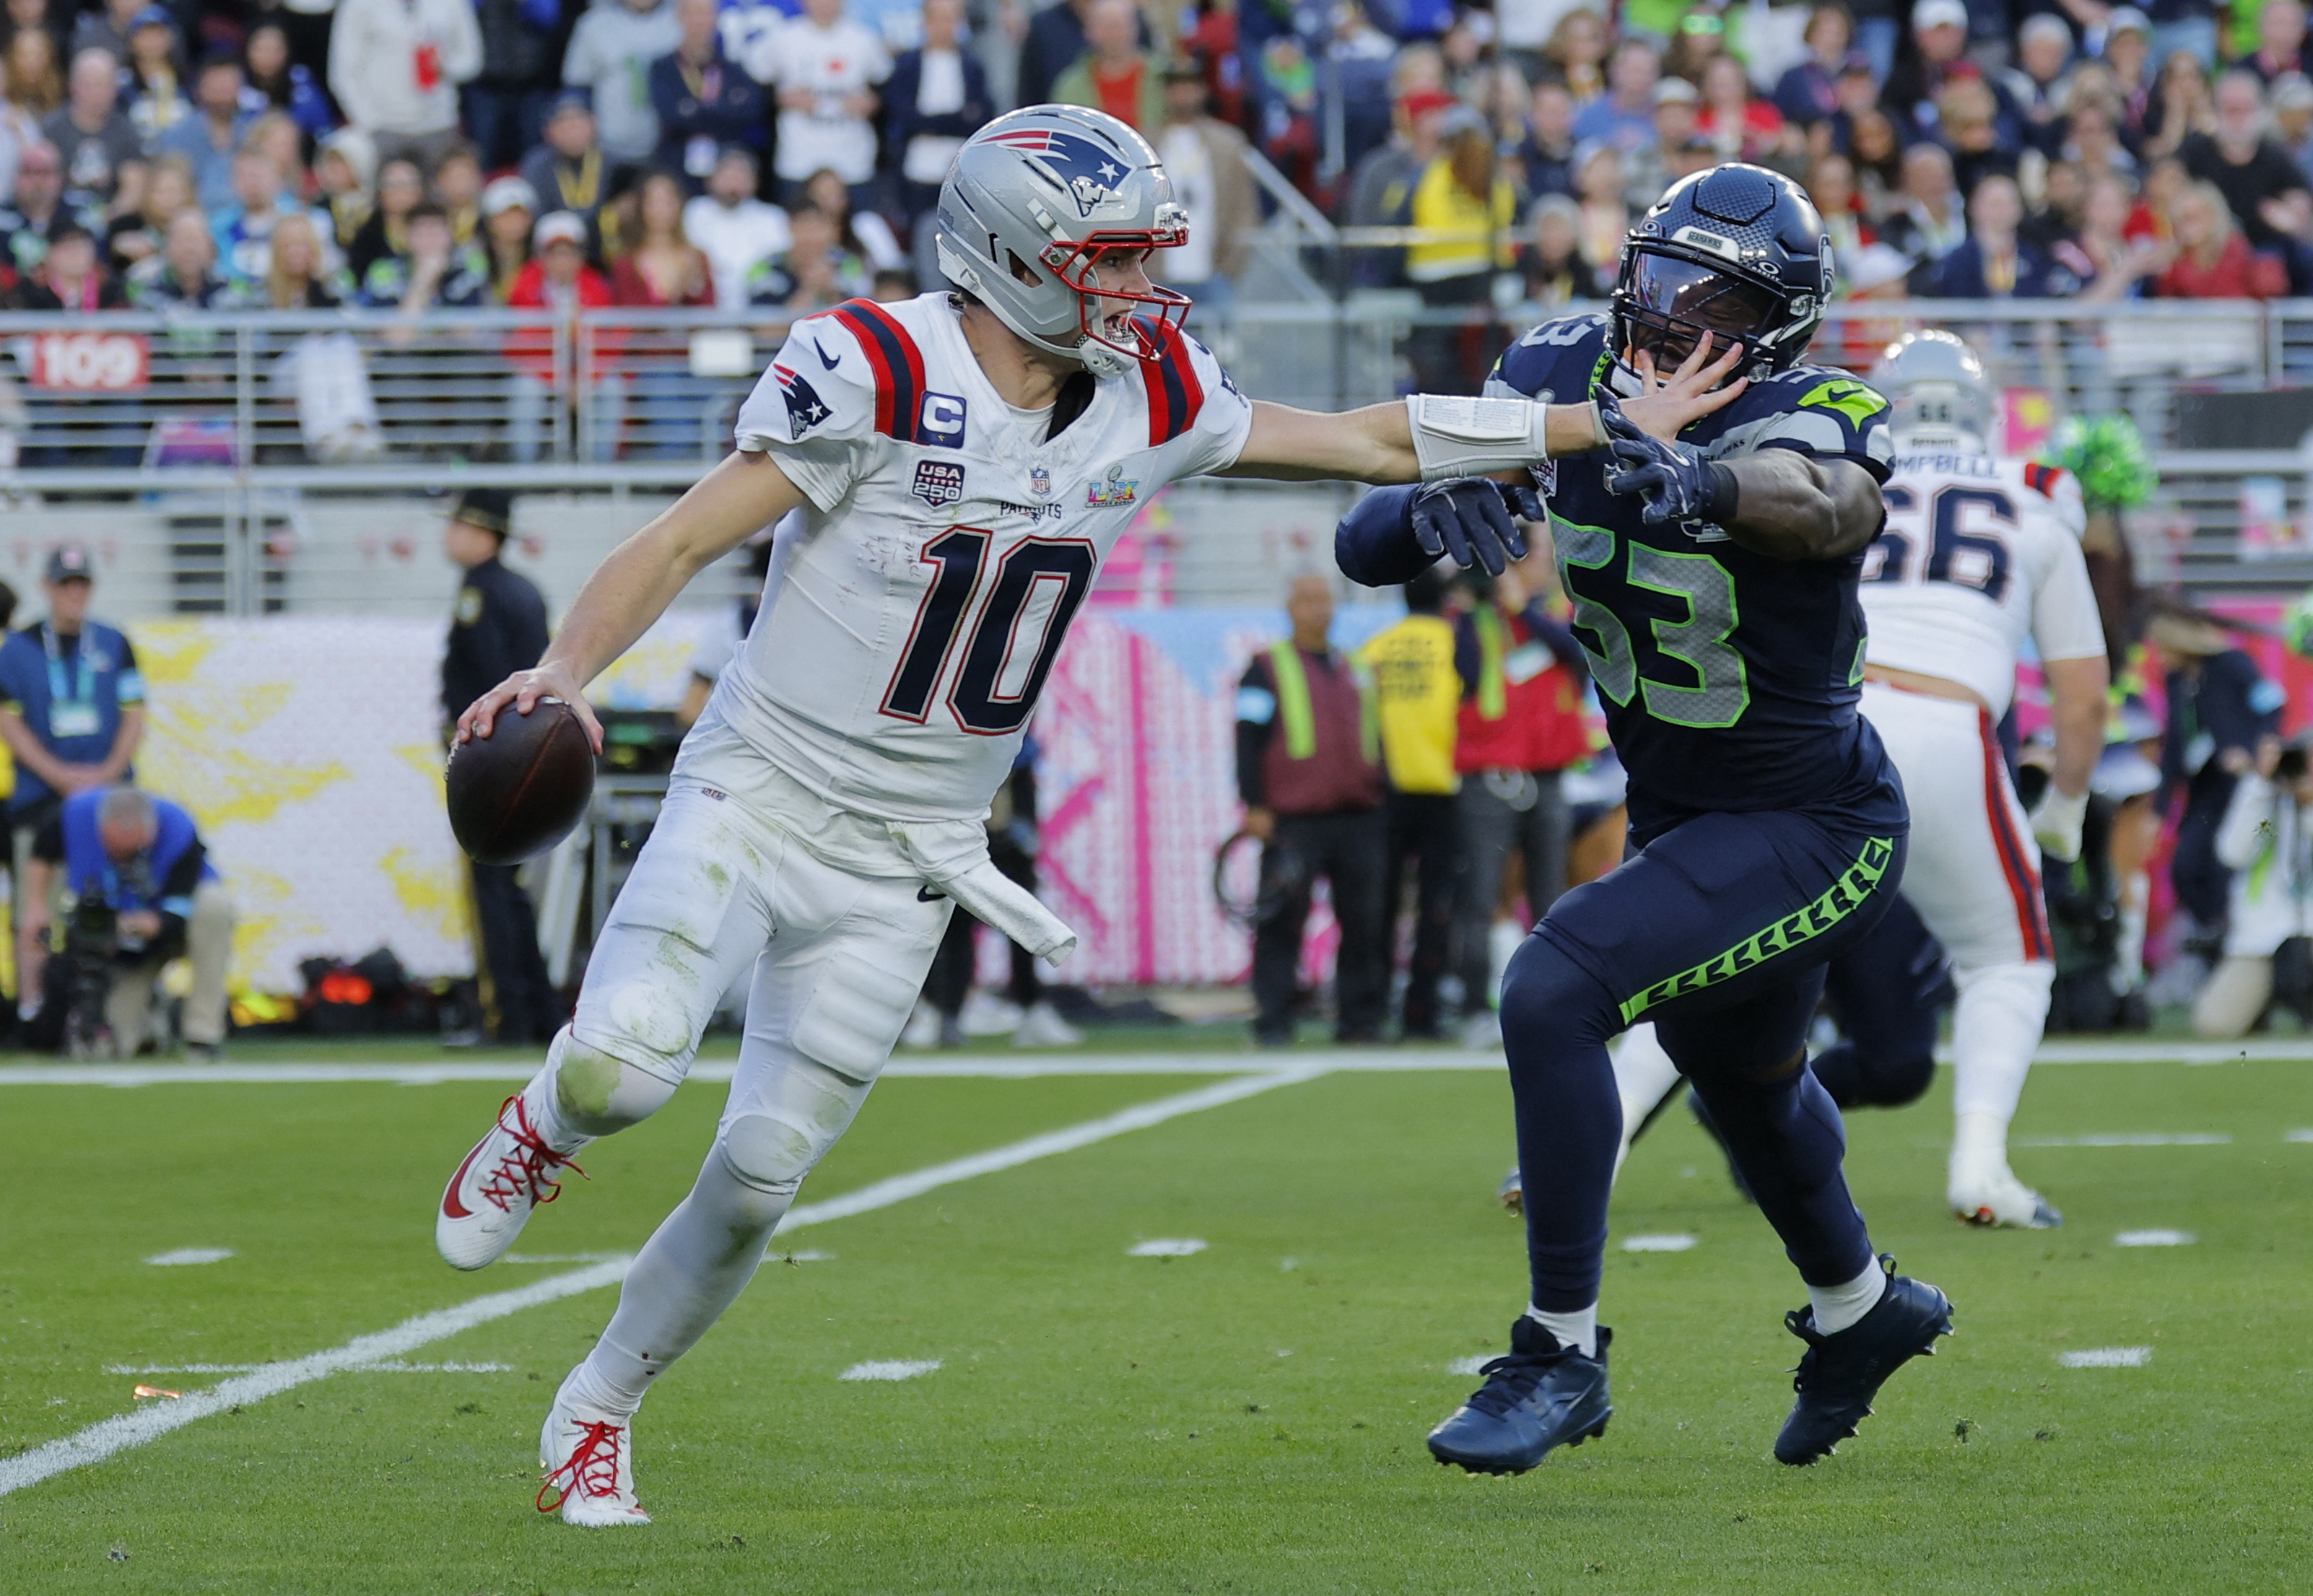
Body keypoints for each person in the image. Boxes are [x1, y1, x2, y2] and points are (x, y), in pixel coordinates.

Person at [428, 103, 1641, 1526]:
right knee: (620, 1076)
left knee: (759, 1177)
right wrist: (565, 668)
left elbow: (1374, 438)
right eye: (1114, 262)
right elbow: (689, 533)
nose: (1141, 291)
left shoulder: (1153, 393)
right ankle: (541, 1124)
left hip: (913, 860)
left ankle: (599, 1404)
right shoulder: (879, 362)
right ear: (1016, 258)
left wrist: (1598, 418)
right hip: (759, 792)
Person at [1336, 162, 1949, 1478]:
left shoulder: (1812, 407)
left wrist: (1707, 484)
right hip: (1680, 813)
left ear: (1773, 324)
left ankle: (1555, 1349)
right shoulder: (1557, 362)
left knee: (1551, 989)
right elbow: (1362, 541)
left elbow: (1827, 498)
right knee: (1743, 1083)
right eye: (1662, 275)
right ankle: (1860, 1307)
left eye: (1716, 298)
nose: (1671, 314)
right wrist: (1434, 502)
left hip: (1813, 818)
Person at [1616, 332, 2112, 1226]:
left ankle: (1585, 1149)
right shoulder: (2034, 500)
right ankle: (1979, 1169)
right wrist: (2065, 815)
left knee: (1712, 953)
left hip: (1831, 721)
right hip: (1948, 722)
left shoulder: (1837, 463)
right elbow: (2081, 699)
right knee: (2007, 958)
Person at [1235, 574, 1388, 1045]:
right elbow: (1246, 737)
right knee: (1283, 920)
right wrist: (1254, 803)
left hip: (1358, 813)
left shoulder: (1356, 665)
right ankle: (1274, 1018)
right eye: (1308, 600)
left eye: (1325, 600)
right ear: (1290, 607)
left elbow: (1376, 739)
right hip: (1293, 819)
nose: (1319, 609)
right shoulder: (1264, 667)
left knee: (1364, 922)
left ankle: (1359, 1021)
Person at [1448, 557, 1590, 1050]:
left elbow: (1577, 653)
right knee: (1482, 895)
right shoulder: (1473, 620)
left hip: (1549, 776)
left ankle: (1557, 1003)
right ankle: (1472, 1009)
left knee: (1552, 897)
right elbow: (1464, 668)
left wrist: (1523, 609)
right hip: (1491, 777)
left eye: (1524, 559)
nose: (1518, 569)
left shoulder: (1561, 615)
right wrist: (1486, 604)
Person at [440, 487, 559, 1047]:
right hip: (525, 756)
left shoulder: (480, 593)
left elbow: (489, 677)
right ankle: (537, 1011)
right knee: (509, 885)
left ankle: (504, 1016)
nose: (450, 536)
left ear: (483, 532)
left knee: (489, 885)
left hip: (491, 760)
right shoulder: (524, 590)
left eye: (460, 525)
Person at [0, 546, 146, 951]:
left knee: (114, 905)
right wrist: (58, 775)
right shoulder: (18, 648)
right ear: (47, 586)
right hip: (41, 798)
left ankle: (112, 1006)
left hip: (108, 798)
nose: (74, 592)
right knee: (35, 914)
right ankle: (34, 1007)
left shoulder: (114, 641)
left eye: (82, 583)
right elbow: (8, 722)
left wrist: (108, 772)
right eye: (65, 583)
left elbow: (134, 714)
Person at [19, 784, 231, 1059]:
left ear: (152, 831)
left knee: (214, 907)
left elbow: (178, 911)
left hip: (172, 925)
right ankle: (154, 1020)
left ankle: (204, 1035)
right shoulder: (75, 815)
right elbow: (42, 853)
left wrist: (149, 924)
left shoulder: (179, 829)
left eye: (133, 850)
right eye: (116, 850)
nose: (124, 859)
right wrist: (35, 906)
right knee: (116, 1043)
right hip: (121, 943)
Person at [1355, 563, 1461, 1040]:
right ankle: (1422, 1013)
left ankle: (1371, 1010)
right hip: (1443, 788)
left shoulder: (1376, 647)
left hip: (1387, 793)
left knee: (1380, 905)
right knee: (1435, 910)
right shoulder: (1455, 641)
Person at [2156, 603, 2286, 946]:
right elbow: (2174, 745)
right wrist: (2159, 808)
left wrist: (2254, 749)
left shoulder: (2230, 664)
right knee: (2186, 865)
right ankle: (2213, 932)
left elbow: (2272, 703)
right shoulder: (2176, 682)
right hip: (2206, 788)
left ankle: (2233, 940)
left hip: (2243, 787)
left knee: (2227, 863)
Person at [2192, 733, 2313, 1037]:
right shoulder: (2270, 805)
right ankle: (2259, 1012)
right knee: (2215, 1024)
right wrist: (2261, 785)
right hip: (2262, 942)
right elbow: (2234, 852)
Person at [750, 0, 889, 211]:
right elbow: (753, 80)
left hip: (853, 161)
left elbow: (887, 86)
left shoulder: (864, 39)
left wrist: (873, 102)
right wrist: (778, 98)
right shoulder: (783, 37)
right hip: (798, 159)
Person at [327, 0, 482, 170]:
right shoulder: (359, 4)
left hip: (438, 125)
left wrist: (445, 66)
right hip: (383, 128)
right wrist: (367, 122)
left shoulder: (453, 4)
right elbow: (342, 72)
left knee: (438, 195)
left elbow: (471, 59)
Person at [883, 0, 990, 227]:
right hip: (917, 170)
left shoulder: (973, 66)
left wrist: (929, 121)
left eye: (951, 19)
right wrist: (956, 118)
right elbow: (903, 117)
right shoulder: (907, 65)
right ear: (925, 21)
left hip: (961, 169)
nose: (944, 26)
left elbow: (981, 117)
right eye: (938, 18)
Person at [2180, 70, 2312, 252]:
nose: (2238, 118)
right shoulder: (2194, 152)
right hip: (2206, 251)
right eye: (2231, 109)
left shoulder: (2275, 156)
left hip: (2263, 253)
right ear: (2217, 110)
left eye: (2246, 108)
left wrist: (2293, 219)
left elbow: (2301, 204)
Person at [648, 0, 767, 185]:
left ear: (716, 18)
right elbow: (670, 116)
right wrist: (722, 110)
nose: (699, 21)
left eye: (705, 13)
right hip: (676, 167)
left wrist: (694, 108)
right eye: (693, 13)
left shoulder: (733, 71)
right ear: (679, 18)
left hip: (724, 170)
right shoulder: (663, 69)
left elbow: (748, 113)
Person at [564, 0, 681, 166]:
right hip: (608, 148)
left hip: (671, 146)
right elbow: (577, 89)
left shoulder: (682, 16)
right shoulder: (594, 24)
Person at [683, 144, 788, 309]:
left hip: (758, 309)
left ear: (755, 182)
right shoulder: (694, 212)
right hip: (703, 309)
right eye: (728, 174)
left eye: (741, 175)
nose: (734, 182)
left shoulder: (772, 218)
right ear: (711, 179)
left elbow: (777, 268)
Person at [41, 47, 141, 214]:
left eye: (103, 85)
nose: (97, 93)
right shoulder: (52, 128)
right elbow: (41, 181)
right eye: (90, 84)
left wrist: (108, 217)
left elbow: (134, 187)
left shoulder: (126, 130)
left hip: (109, 216)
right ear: (73, 86)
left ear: (115, 89)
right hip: (59, 216)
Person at [1053, 0, 1161, 134]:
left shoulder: (1161, 77)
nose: (1113, 35)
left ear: (1135, 28)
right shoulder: (1071, 86)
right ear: (1088, 31)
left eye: (1119, 26)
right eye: (1105, 27)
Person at [358, 199, 489, 308]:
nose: (430, 241)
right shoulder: (385, 271)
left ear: (451, 236)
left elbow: (465, 334)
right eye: (422, 234)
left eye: (436, 233)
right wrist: (423, 280)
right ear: (407, 237)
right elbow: (396, 337)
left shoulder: (466, 270)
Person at [520, 92, 609, 250]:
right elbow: (535, 214)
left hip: (603, 247)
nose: (572, 133)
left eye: (577, 124)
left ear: (594, 125)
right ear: (548, 131)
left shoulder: (612, 163)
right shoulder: (537, 166)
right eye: (563, 125)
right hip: (554, 247)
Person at [125, 205, 230, 305]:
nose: (188, 249)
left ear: (211, 248)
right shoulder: (144, 284)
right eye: (180, 241)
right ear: (166, 248)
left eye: (195, 241)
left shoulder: (229, 285)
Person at [14, 214, 123, 306]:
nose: (77, 254)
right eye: (68, 248)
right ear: (49, 254)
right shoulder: (32, 291)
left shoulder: (110, 288)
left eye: (83, 246)